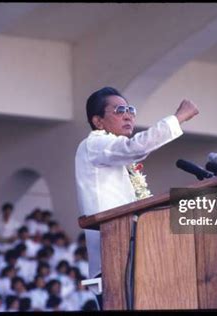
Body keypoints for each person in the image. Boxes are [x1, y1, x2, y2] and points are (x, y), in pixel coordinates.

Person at [75, 87, 199, 278]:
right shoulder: (93, 144)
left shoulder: (116, 153)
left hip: (134, 254)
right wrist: (178, 117)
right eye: (119, 111)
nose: (128, 116)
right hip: (112, 261)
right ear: (98, 121)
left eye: (130, 110)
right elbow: (136, 147)